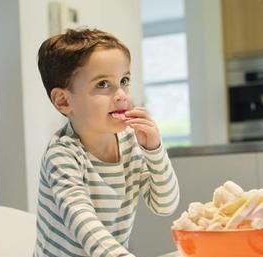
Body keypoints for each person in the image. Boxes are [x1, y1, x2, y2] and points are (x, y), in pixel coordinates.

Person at [33, 28, 180, 257]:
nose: (121, 94)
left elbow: (164, 205)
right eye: (103, 84)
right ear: (63, 101)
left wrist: (154, 150)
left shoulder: (129, 141)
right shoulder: (62, 156)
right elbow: (88, 230)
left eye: (124, 80)